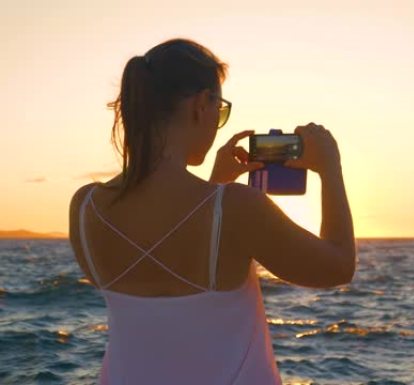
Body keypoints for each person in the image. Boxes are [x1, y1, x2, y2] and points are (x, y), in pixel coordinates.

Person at [68, 38, 356, 385]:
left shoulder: (85, 208)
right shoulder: (235, 207)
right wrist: (330, 167)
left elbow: (172, 285)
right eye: (220, 110)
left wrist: (216, 185)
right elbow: (337, 266)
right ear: (201, 104)